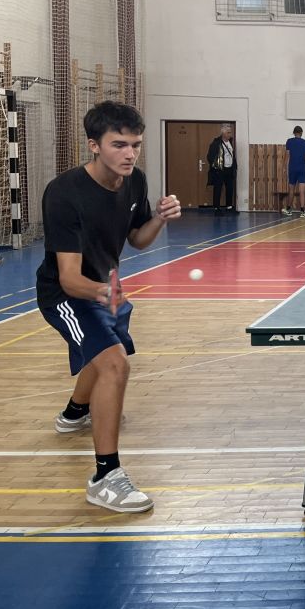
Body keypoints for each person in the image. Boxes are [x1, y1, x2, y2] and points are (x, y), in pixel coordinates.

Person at [39, 101, 182, 513]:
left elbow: (137, 239)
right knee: (114, 363)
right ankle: (105, 478)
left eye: (135, 144)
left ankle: (74, 414)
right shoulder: (64, 193)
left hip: (105, 286)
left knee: (102, 352)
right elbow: (69, 278)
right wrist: (105, 295)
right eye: (119, 144)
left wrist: (160, 218)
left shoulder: (134, 181)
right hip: (66, 295)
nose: (129, 153)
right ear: (94, 145)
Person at [205, 124, 237, 212]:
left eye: (230, 132)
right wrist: (216, 166)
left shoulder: (230, 142)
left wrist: (234, 166)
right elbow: (210, 156)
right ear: (223, 133)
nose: (230, 134)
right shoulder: (216, 143)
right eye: (228, 132)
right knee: (218, 188)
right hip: (220, 170)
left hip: (229, 169)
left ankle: (229, 207)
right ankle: (217, 208)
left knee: (230, 188)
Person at [283, 126, 305, 217]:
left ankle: (289, 209)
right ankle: (302, 211)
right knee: (302, 191)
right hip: (302, 169)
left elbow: (287, 156)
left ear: (294, 133)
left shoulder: (289, 141)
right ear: (301, 133)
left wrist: (284, 168)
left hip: (292, 168)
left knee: (291, 190)